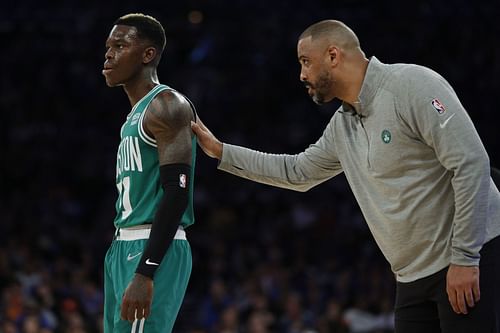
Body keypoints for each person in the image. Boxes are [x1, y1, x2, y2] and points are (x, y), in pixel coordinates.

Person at [191, 20, 500, 332]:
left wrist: (465, 257)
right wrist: (220, 151)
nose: (301, 75)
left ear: (333, 56)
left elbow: (471, 163)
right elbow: (298, 172)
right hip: (412, 278)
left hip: (468, 258)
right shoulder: (342, 125)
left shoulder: (411, 85)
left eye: (305, 61)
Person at [102, 13, 197, 333]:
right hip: (122, 244)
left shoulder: (167, 105)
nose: (109, 54)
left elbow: (177, 191)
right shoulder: (134, 115)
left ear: (148, 54)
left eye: (119, 45)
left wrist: (146, 271)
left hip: (151, 248)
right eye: (107, 47)